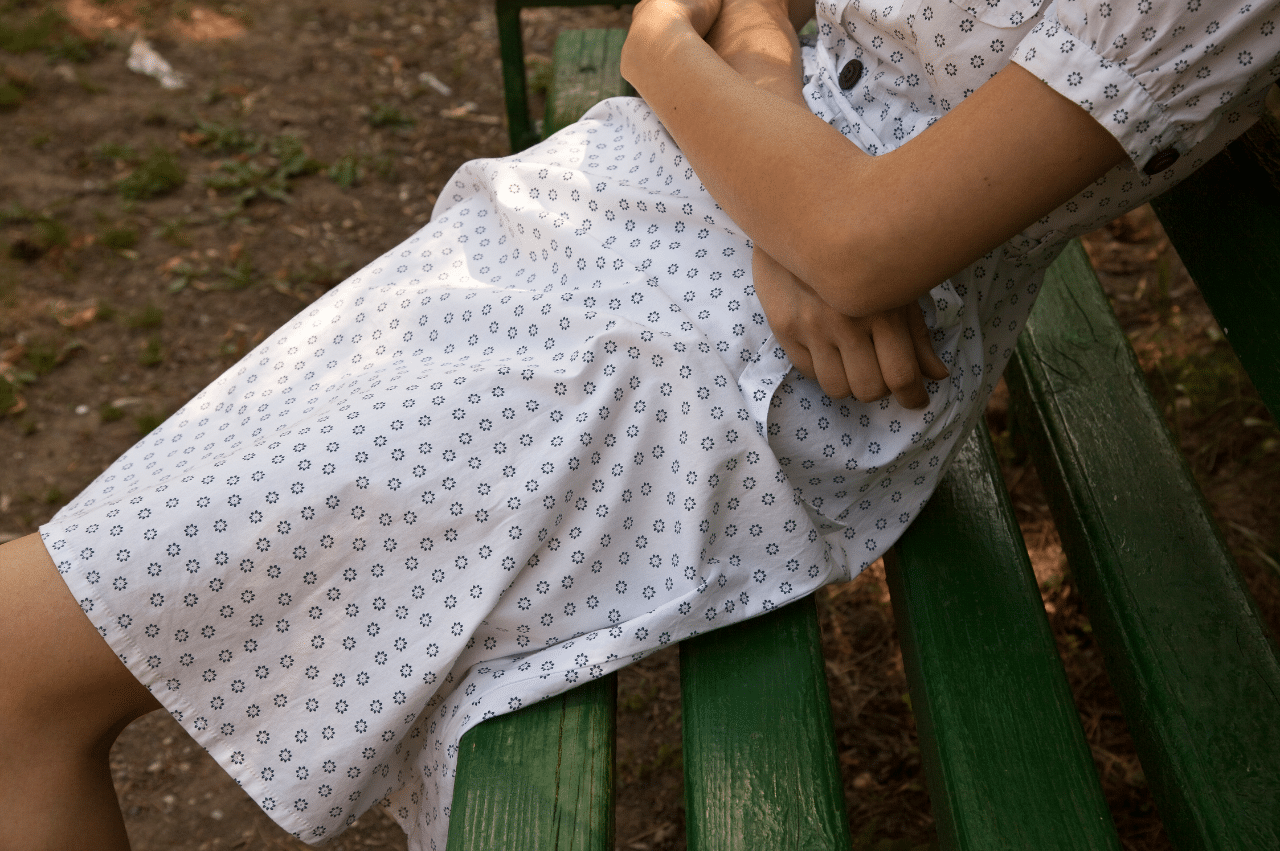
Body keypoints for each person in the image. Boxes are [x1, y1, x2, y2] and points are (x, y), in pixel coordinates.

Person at [2, 0, 1277, 847]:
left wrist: (666, 55)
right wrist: (768, 138)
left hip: (774, 359)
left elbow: (864, 237)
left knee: (14, 672)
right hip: (647, 228)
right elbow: (773, 62)